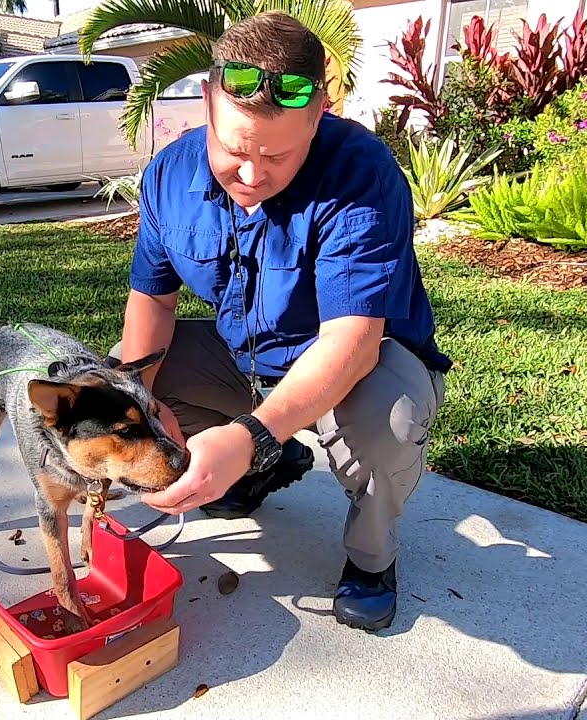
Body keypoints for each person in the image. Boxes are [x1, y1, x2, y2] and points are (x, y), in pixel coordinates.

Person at [110, 11, 451, 632]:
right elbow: (153, 302)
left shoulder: (363, 176)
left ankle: (371, 559)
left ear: (320, 112)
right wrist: (140, 403)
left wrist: (252, 434)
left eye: (278, 155)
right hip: (244, 354)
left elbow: (352, 342)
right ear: (208, 101)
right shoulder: (168, 174)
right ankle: (271, 457)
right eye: (235, 150)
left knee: (388, 420)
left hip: (361, 363)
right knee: (128, 377)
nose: (251, 174)